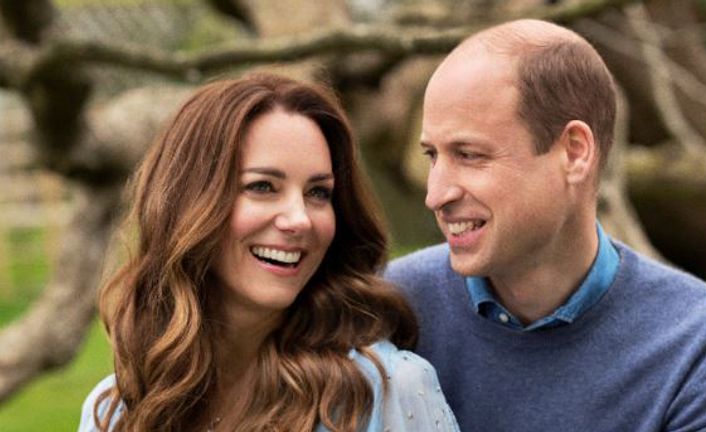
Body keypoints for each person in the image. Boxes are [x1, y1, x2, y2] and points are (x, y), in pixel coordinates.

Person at [385, 18, 706, 432]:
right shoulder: (384, 308)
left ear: (574, 152)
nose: (435, 194)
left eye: (470, 155)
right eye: (432, 156)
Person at [79, 72, 459, 432]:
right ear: (187, 204)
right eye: (263, 187)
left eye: (318, 193)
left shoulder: (387, 391)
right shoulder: (116, 411)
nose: (299, 220)